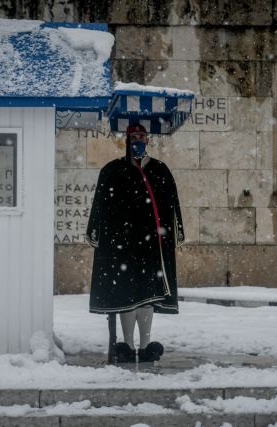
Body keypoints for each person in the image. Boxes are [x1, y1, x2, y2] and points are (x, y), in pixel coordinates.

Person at [86, 123, 185, 363]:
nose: (138, 140)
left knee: (149, 295)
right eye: (134, 137)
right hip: (124, 244)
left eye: (142, 136)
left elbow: (172, 205)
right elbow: (100, 204)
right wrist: (96, 229)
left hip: (151, 244)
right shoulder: (113, 170)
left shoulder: (160, 170)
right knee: (127, 294)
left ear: (148, 140)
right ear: (127, 140)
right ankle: (127, 345)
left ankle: (146, 344)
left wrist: (177, 230)